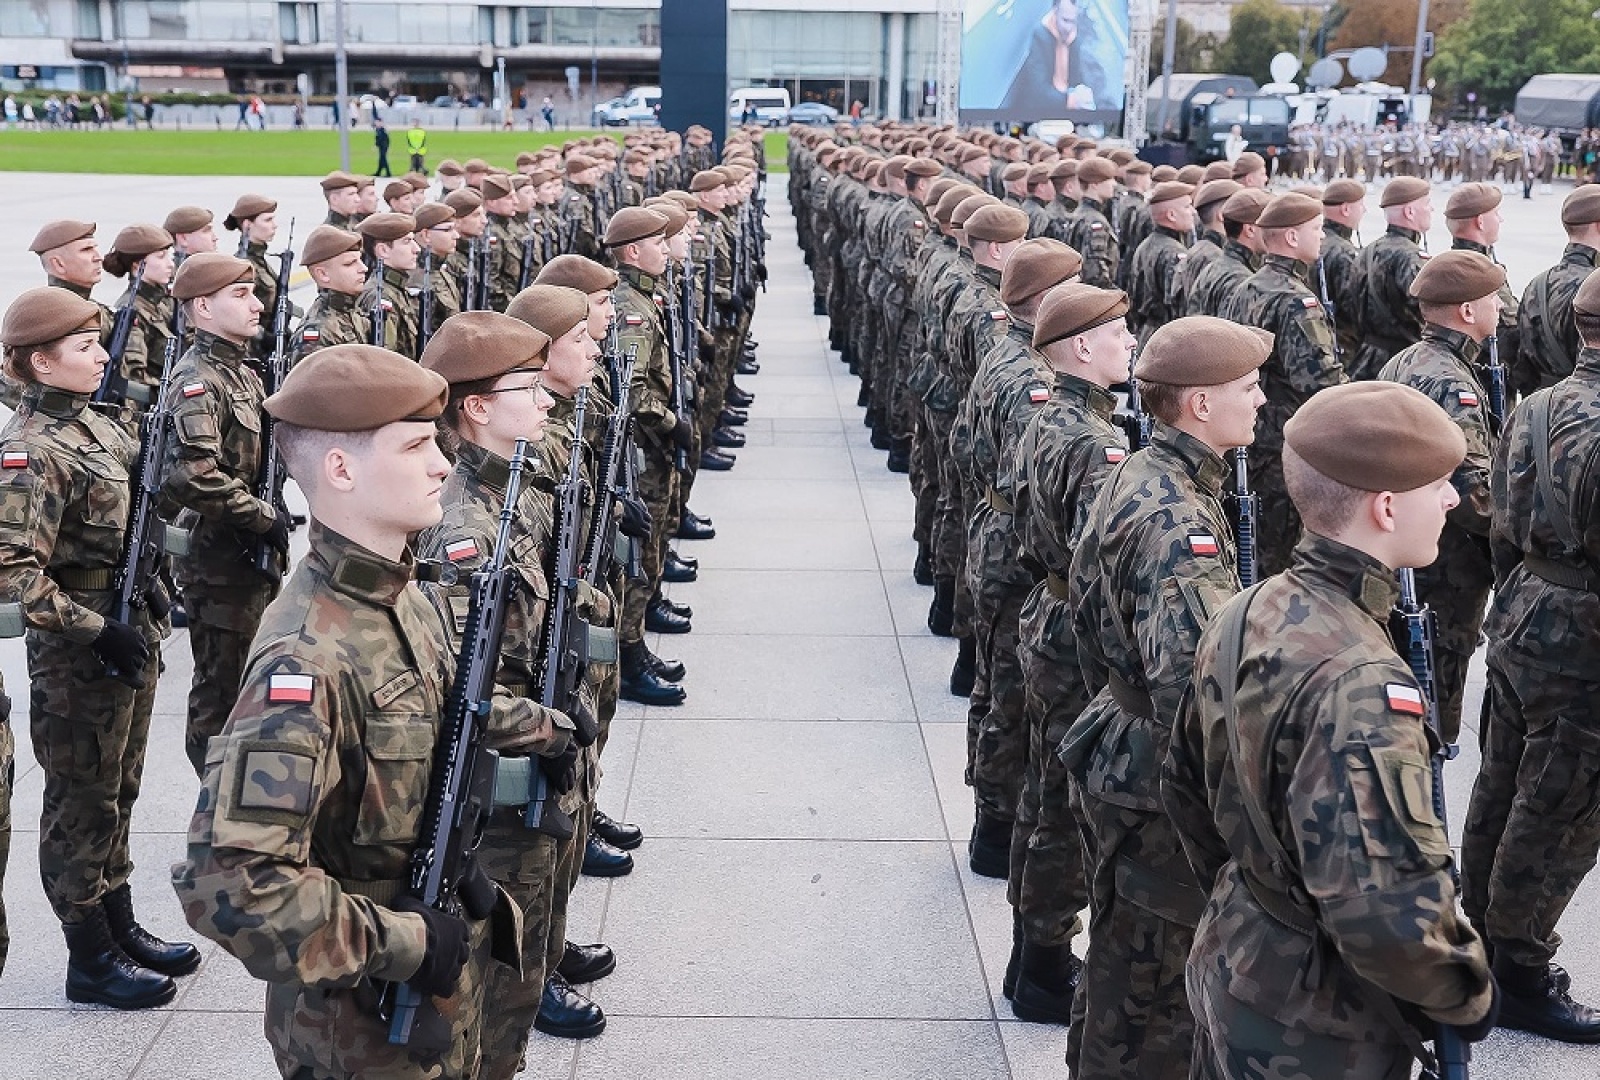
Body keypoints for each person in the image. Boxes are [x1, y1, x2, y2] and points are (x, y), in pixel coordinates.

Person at [173, 343, 513, 1077]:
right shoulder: (307, 657)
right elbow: (228, 883)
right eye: (417, 445)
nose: (441, 465)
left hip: (432, 992)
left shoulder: (402, 594)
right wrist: (406, 943)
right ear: (341, 469)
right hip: (358, 1031)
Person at [1167, 380, 1496, 1077]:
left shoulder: (1246, 608)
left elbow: (1186, 790)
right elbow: (1387, 919)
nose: (1452, 500)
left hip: (1237, 950)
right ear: (1384, 507)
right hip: (1317, 1024)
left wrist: (1259, 893)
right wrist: (1466, 993)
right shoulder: (1365, 682)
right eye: (1438, 484)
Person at [1063, 315, 1267, 1079]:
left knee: (1119, 966)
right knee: (1154, 998)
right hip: (1157, 784)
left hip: (1123, 745)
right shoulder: (1179, 519)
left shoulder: (1148, 470)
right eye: (1248, 389)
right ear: (1201, 405)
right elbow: (1194, 695)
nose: (1262, 401)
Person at [0, 286, 197, 1009]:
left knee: (120, 791)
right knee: (82, 802)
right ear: (41, 362)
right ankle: (88, 956)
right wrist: (96, 630)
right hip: (80, 651)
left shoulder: (99, 427)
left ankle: (119, 923)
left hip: (127, 628)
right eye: (83, 346)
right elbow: (11, 571)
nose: (99, 355)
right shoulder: (29, 450)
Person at [416, 311, 599, 1061]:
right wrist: (551, 731)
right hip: (501, 783)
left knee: (524, 970)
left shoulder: (515, 487)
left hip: (535, 755)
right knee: (498, 999)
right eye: (529, 388)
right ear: (479, 408)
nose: (548, 400)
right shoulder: (464, 526)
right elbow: (460, 688)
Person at [1460, 268, 1600, 1043]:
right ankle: (1518, 969)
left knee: (1503, 783)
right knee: (1562, 812)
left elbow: (1504, 522)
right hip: (1584, 642)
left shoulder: (1540, 405)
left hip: (1525, 614)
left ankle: (1479, 932)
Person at [1006, 279, 1132, 1025]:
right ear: (1083, 346)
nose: (1130, 345)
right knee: (1064, 805)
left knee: (1041, 791)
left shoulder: (1052, 414)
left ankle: (1035, 955)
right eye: (1118, 335)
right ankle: (1046, 971)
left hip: (1044, 611)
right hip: (1072, 630)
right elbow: (1101, 566)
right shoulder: (1095, 441)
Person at [157, 254, 287, 776]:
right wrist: (262, 516)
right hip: (219, 562)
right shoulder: (198, 381)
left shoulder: (240, 371)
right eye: (240, 295)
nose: (256, 305)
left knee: (246, 686)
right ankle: (213, 802)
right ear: (203, 307)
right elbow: (191, 476)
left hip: (246, 559)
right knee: (222, 692)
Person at [1376, 250, 1505, 744]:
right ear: (1467, 311)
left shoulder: (1404, 360)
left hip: (1405, 555)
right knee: (1434, 716)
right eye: (1491, 299)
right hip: (1445, 569)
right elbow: (1472, 494)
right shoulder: (1454, 382)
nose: (1498, 308)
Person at [294, 225, 373, 359]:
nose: (363, 268)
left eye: (360, 260)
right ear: (323, 274)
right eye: (350, 263)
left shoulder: (354, 314)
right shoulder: (318, 332)